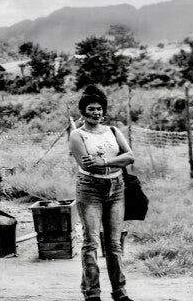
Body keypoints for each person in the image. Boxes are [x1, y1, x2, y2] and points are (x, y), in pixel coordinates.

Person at [69, 85, 135, 301]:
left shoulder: (113, 131)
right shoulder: (78, 135)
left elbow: (130, 156)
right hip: (90, 190)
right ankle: (92, 294)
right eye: (91, 108)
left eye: (99, 109)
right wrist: (112, 162)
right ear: (83, 111)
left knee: (114, 244)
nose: (96, 112)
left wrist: (104, 161)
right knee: (91, 242)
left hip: (116, 189)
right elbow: (88, 166)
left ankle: (120, 293)